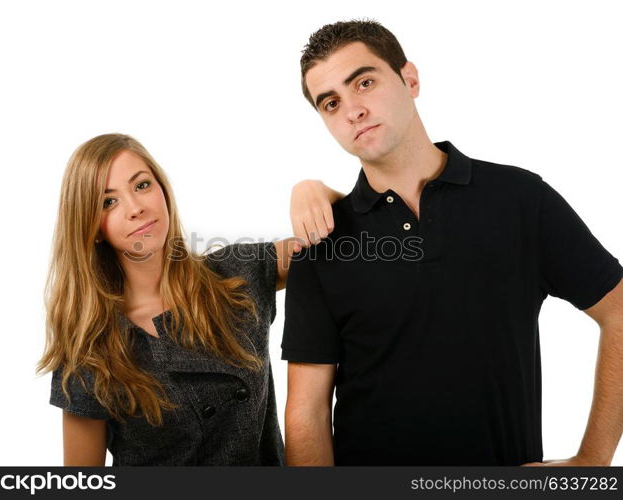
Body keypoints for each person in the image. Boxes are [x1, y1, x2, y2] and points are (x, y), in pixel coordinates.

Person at [282, 20, 623, 466]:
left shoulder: (519, 199)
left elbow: (618, 311)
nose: (352, 110)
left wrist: (591, 463)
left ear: (410, 79)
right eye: (331, 103)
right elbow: (306, 415)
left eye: (364, 82)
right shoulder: (322, 240)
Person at [37, 133, 339, 465]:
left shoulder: (235, 275)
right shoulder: (91, 352)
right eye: (108, 201)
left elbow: (341, 246)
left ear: (163, 190)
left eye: (141, 185)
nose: (136, 208)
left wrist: (314, 191)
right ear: (92, 227)